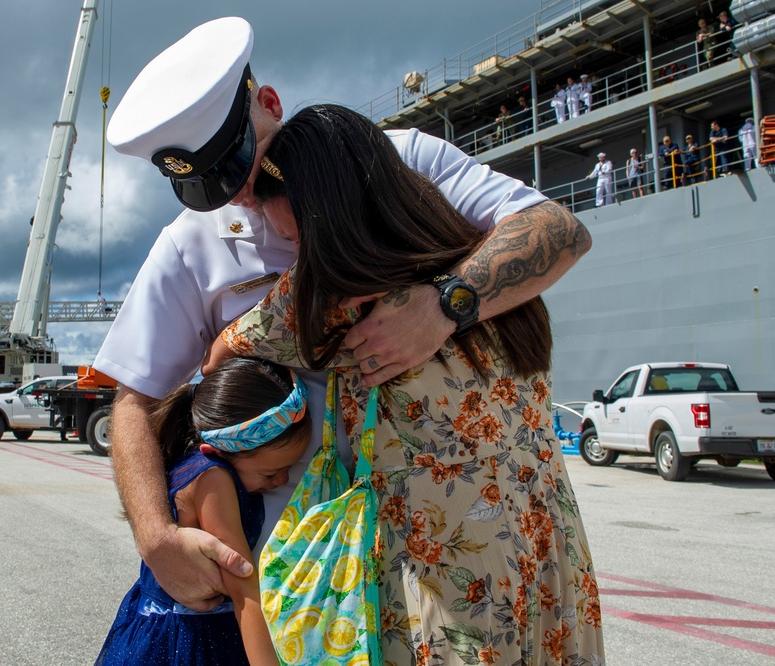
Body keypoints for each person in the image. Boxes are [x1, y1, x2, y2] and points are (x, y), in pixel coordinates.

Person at [94, 17, 592, 614]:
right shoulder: (190, 245)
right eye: (211, 185)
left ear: (271, 104)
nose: (238, 194)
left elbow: (557, 230)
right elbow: (134, 401)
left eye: (239, 163)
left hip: (456, 544)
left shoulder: (402, 159)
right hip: (311, 564)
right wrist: (155, 539)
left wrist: (444, 304)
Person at [207, 103, 604, 665]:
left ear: (329, 215)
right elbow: (565, 229)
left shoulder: (332, 298)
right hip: (549, 551)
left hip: (449, 581)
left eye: (298, 237)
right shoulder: (485, 266)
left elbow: (219, 355)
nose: (298, 254)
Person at [95, 358, 310, 666]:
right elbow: (243, 586)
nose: (282, 481)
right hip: (188, 639)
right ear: (218, 451)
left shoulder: (196, 464)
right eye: (271, 473)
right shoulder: (213, 480)